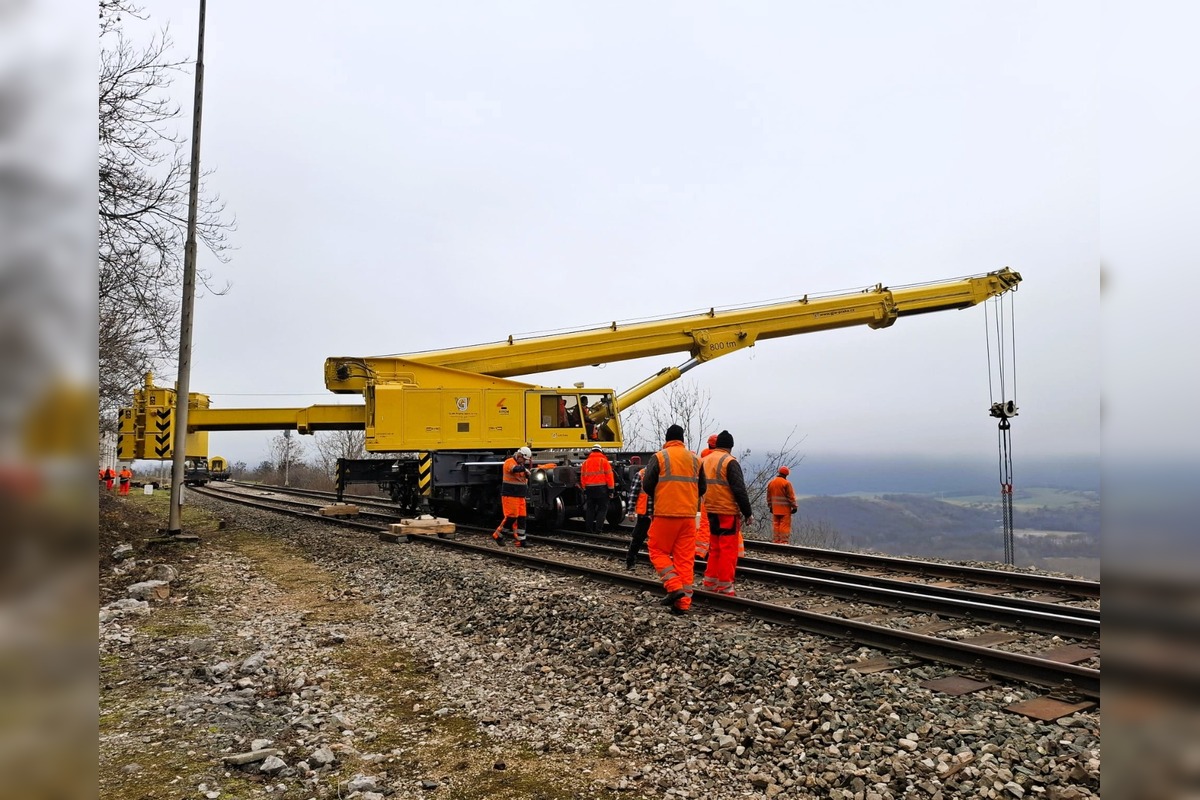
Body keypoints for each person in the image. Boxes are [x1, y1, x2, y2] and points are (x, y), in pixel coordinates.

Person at [642, 424, 705, 615]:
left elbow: (647, 485)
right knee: (685, 559)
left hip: (665, 514)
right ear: (683, 440)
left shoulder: (660, 456)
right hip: (688, 516)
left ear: (667, 439)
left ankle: (674, 586)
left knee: (657, 550)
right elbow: (702, 488)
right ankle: (682, 604)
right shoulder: (696, 459)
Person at [700, 430, 753, 596]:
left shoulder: (704, 460)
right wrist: (748, 512)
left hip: (710, 510)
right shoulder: (729, 462)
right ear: (731, 446)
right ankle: (725, 587)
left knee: (714, 548)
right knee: (728, 551)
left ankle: (709, 583)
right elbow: (739, 490)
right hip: (727, 512)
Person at [493, 446, 533, 547]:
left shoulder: (521, 465)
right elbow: (514, 469)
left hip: (520, 496)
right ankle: (498, 535)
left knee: (522, 518)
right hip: (510, 495)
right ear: (519, 455)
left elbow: (523, 478)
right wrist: (525, 469)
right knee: (511, 516)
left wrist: (527, 474)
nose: (524, 461)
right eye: (524, 459)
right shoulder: (509, 462)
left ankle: (521, 540)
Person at [580, 444, 614, 533]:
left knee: (590, 509)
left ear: (592, 451)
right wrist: (611, 490)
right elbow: (609, 477)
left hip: (589, 489)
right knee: (602, 509)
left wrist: (584, 488)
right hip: (602, 489)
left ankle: (589, 529)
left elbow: (582, 477)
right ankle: (598, 530)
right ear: (601, 451)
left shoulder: (585, 463)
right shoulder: (604, 461)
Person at [695, 434, 719, 561]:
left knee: (705, 524)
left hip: (706, 497)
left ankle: (700, 551)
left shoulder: (703, 459)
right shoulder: (725, 459)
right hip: (722, 500)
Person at [624, 466, 653, 569]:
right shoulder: (641, 475)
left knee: (656, 540)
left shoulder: (662, 474)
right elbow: (633, 494)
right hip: (645, 513)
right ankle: (630, 560)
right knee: (638, 538)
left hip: (658, 513)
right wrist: (631, 511)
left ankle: (657, 562)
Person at [766, 465, 798, 544]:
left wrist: (770, 506)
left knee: (776, 525)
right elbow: (791, 497)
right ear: (786, 475)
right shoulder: (786, 483)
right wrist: (794, 507)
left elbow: (768, 496)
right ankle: (783, 542)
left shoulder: (771, 483)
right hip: (785, 510)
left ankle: (776, 541)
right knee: (784, 527)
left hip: (775, 509)